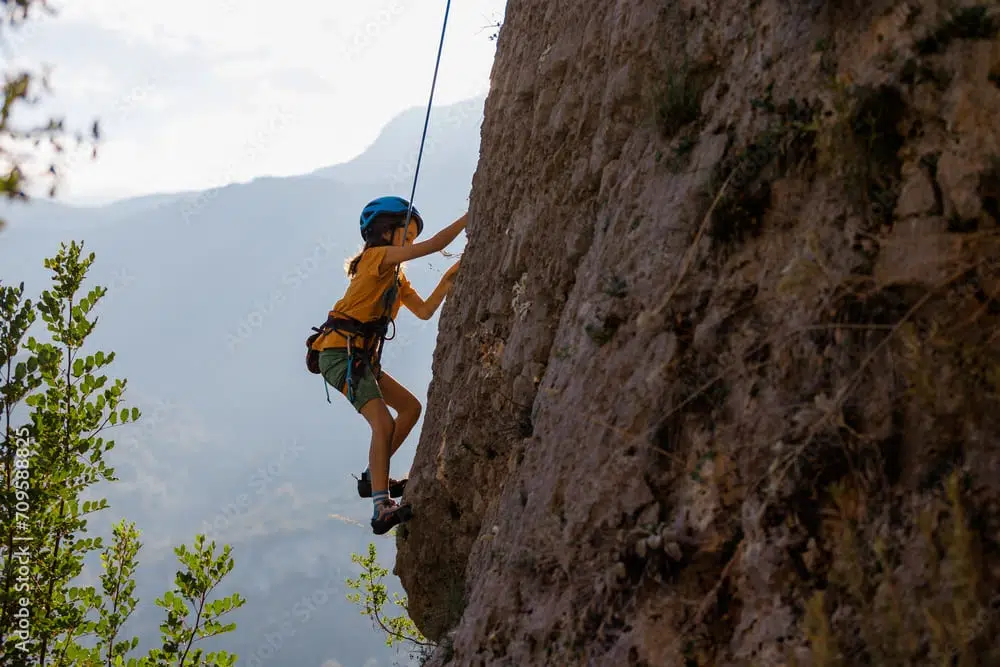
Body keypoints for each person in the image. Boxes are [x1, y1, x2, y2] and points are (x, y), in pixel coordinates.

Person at [310, 195, 465, 534]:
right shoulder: (376, 258)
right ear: (383, 233)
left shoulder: (396, 280)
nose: (409, 243)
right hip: (340, 354)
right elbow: (436, 244)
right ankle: (381, 506)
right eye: (405, 236)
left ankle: (372, 477)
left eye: (411, 238)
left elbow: (424, 311)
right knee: (382, 422)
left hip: (362, 357)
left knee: (410, 409)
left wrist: (450, 278)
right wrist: (474, 213)